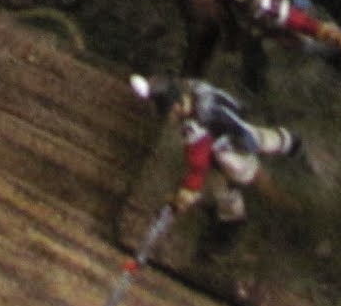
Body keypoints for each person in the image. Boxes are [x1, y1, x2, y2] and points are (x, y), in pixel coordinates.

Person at [129, 75, 302, 242]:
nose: (168, 117)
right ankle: (291, 144)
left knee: (245, 178)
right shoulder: (193, 88)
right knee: (260, 145)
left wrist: (186, 193)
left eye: (168, 112)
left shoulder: (194, 127)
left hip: (233, 147)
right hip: (238, 128)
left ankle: (291, 210)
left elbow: (198, 166)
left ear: (176, 106)